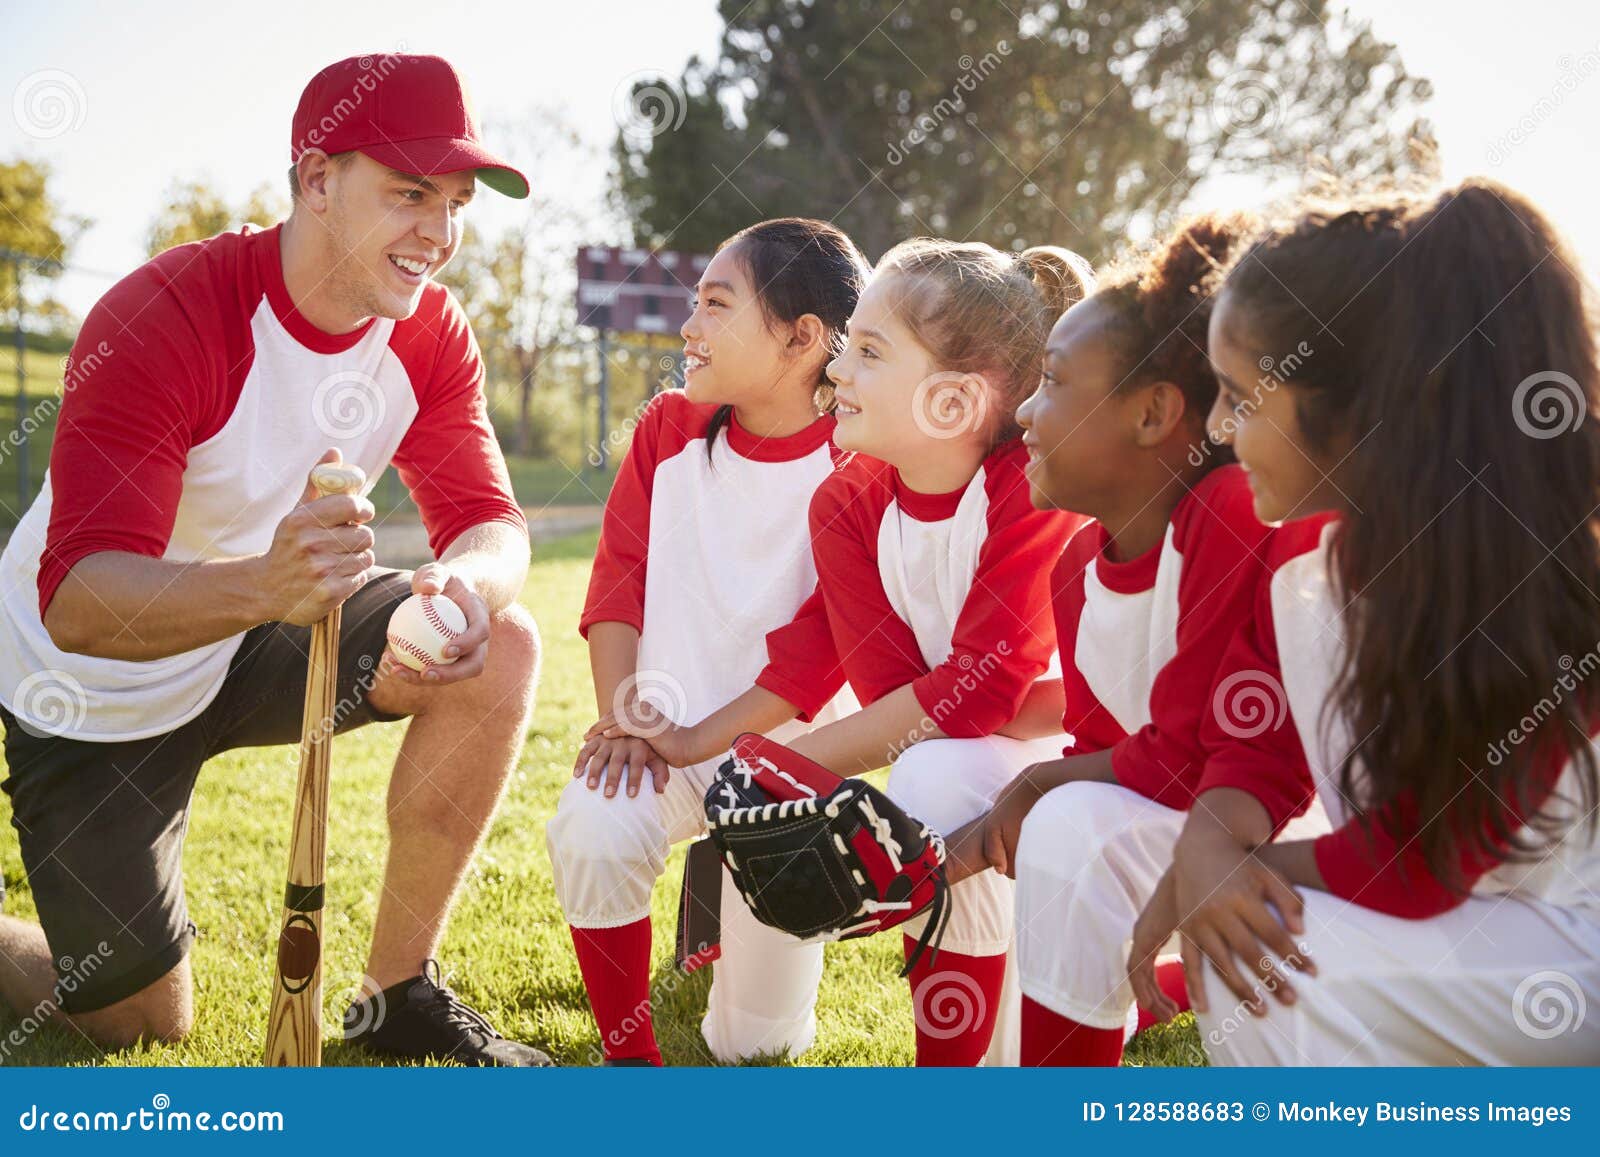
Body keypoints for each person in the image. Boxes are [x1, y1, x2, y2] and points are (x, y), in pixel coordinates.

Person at [0, 53, 551, 1065]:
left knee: (502, 646)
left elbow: (491, 522)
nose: (440, 231)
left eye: (457, 201)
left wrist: (463, 590)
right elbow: (77, 597)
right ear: (315, 180)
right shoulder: (163, 317)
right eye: (410, 193)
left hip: (262, 625)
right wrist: (267, 584)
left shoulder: (428, 332)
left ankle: (399, 997)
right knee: (137, 1020)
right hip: (93, 681)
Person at [602, 238, 1094, 1065]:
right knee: (937, 775)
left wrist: (764, 768)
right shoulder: (847, 503)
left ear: (954, 400)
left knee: (942, 779)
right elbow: (903, 694)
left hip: (1106, 756)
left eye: (868, 352)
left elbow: (970, 695)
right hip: (977, 749)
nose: (836, 374)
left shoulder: (1030, 487)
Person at [1160, 179, 1600, 1064]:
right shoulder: (1311, 568)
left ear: (1356, 408)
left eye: (1240, 397)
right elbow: (1257, 741)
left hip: (1568, 948)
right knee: (1250, 942)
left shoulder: (1549, 575)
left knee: (1283, 954)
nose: (1215, 428)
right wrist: (1208, 847)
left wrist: (1227, 878)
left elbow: (1425, 863)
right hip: (1495, 933)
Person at [949, 214, 1321, 1066]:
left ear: (1154, 412)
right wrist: (1017, 806)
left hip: (1280, 820)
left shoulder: (1227, 513)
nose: (1026, 412)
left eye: (1051, 381)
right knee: (1069, 819)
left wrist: (1038, 783)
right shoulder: (1075, 566)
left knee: (1071, 819)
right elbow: (1112, 751)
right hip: (1202, 817)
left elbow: (1192, 755)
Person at [548, 218, 870, 1065]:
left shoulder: (859, 463)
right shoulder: (668, 428)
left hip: (783, 770)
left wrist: (698, 737)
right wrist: (628, 719)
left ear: (803, 339)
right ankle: (632, 1062)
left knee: (752, 1049)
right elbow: (618, 575)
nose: (689, 329)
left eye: (717, 306)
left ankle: (725, 927)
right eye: (694, 305)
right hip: (664, 741)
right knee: (594, 821)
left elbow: (817, 649)